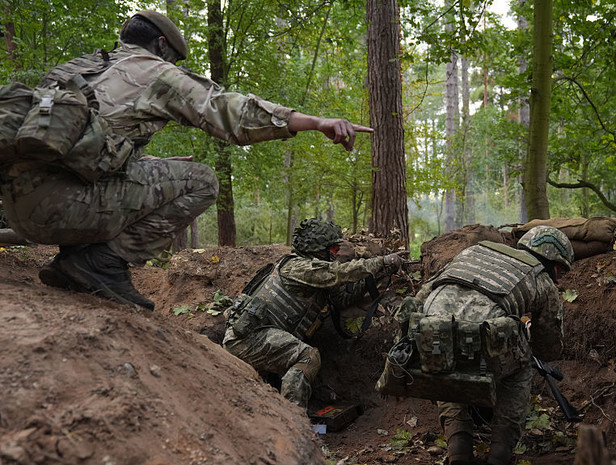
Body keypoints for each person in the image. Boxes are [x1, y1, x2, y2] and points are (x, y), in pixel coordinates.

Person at [0, 10, 372, 311]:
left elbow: (84, 146)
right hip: (62, 210)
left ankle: (78, 260)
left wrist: (143, 164)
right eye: (175, 58)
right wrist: (314, 122)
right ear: (161, 45)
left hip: (19, 207)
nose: (174, 65)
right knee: (202, 181)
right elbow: (229, 111)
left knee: (168, 173)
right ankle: (100, 263)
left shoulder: (79, 71)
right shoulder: (154, 71)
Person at [404, 226, 573, 465]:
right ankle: (499, 454)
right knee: (521, 369)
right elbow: (548, 348)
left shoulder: (474, 252)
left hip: (430, 330)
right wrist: (522, 333)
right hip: (483, 339)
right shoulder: (541, 278)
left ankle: (458, 449)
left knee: (446, 362)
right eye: (561, 272)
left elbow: (426, 291)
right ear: (554, 265)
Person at [223, 218, 403, 408]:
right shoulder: (297, 267)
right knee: (308, 357)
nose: (336, 255)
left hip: (261, 337)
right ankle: (294, 419)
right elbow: (337, 272)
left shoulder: (314, 274)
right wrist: (381, 261)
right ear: (316, 250)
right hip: (247, 340)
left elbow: (341, 299)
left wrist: (378, 272)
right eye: (333, 250)